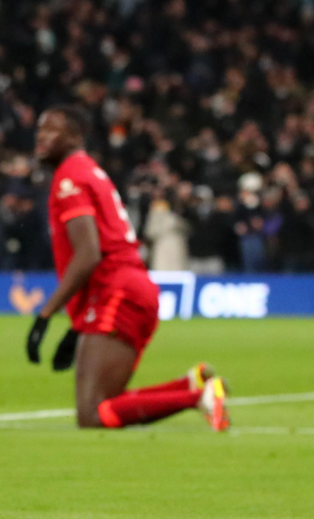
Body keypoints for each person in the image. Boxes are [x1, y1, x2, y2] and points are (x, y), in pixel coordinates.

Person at [27, 106, 228, 431]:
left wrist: (46, 314)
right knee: (107, 402)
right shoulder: (87, 171)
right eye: (39, 130)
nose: (40, 137)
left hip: (117, 292)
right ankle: (190, 386)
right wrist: (77, 326)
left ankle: (200, 397)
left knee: (92, 413)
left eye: (51, 130)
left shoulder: (70, 178)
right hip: (126, 288)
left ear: (75, 137)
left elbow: (89, 254)